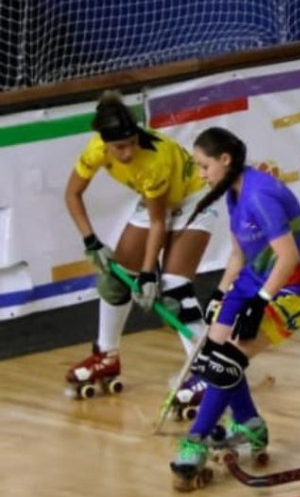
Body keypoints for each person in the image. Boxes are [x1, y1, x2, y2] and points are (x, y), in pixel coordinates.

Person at [169, 127, 300, 491]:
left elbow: (289, 257)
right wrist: (220, 296)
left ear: (225, 159)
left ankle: (195, 439)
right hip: (255, 278)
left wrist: (261, 302)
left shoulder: (260, 195)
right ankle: (250, 422)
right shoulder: (232, 193)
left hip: (293, 286)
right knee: (213, 354)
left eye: (204, 166)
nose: (201, 174)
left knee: (227, 360)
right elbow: (239, 255)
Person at [64, 90, 215, 407]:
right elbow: (72, 195)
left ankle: (205, 371)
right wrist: (91, 240)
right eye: (120, 147)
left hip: (194, 198)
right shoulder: (95, 151)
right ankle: (106, 355)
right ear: (104, 143)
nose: (128, 152)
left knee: (174, 290)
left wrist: (148, 274)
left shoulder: (152, 160)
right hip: (156, 202)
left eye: (133, 142)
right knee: (116, 281)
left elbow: (159, 224)